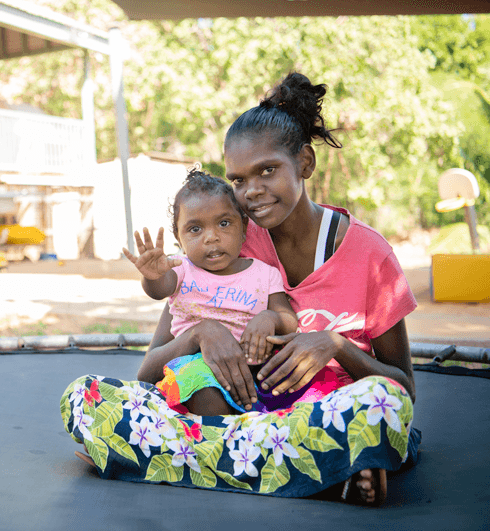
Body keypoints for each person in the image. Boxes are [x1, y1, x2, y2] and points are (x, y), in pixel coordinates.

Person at [61, 72, 419, 506]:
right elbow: (151, 370)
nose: (252, 192)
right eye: (238, 180)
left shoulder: (370, 254)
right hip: (234, 418)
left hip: (314, 415)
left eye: (267, 170)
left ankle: (180, 461)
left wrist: (336, 345)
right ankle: (314, 472)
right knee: (85, 397)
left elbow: (403, 387)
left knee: (383, 403)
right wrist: (200, 333)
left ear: (305, 163)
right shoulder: (227, 243)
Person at [122, 169, 298, 416]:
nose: (211, 237)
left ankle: (246, 432)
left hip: (253, 374)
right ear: (179, 238)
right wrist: (153, 276)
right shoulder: (181, 269)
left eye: (224, 223)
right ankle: (215, 437)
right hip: (195, 371)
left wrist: (269, 318)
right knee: (204, 387)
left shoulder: (264, 274)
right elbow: (159, 289)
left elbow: (289, 320)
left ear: (244, 227)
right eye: (195, 229)